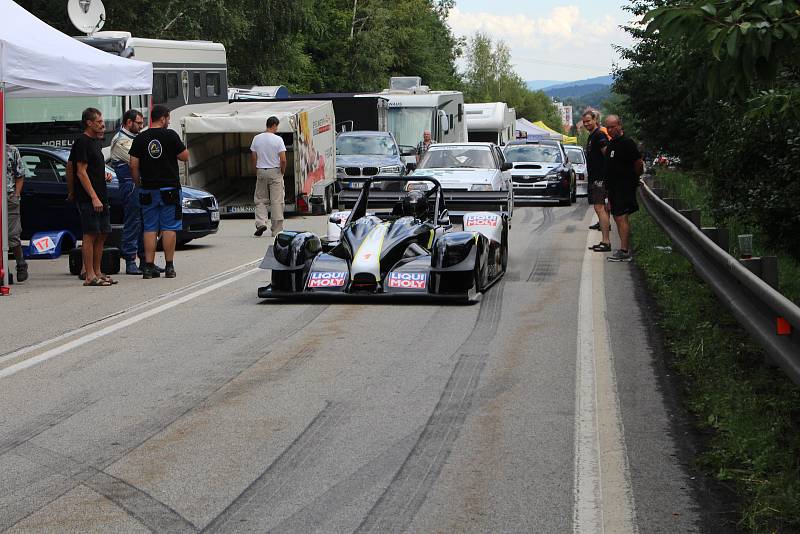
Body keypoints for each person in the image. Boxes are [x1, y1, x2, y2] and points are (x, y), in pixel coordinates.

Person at [129, 105, 189, 279]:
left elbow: (133, 164)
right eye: (168, 119)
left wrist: (138, 183)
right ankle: (169, 266)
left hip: (148, 189)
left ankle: (148, 267)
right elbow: (185, 156)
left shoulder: (140, 138)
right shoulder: (170, 135)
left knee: (149, 228)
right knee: (169, 228)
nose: (168, 122)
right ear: (163, 118)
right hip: (169, 188)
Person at [69, 108, 115, 286]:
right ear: (89, 123)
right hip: (89, 197)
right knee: (90, 234)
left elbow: (92, 169)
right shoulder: (82, 141)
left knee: (102, 233)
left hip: (101, 194)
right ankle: (89, 274)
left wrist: (103, 175)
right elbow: (80, 171)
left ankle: (98, 271)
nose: (102, 124)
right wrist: (93, 197)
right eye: (98, 121)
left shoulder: (96, 142)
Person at [604, 114, 644, 262]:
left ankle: (624, 250)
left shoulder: (627, 143)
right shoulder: (611, 144)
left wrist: (634, 177)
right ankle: (623, 248)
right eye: (607, 127)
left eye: (612, 126)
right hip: (613, 188)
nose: (610, 129)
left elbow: (638, 163)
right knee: (617, 216)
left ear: (620, 125)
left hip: (624, 186)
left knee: (621, 217)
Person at [110, 109, 145, 274]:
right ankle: (130, 260)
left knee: (146, 224)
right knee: (133, 223)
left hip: (141, 185)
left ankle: (146, 259)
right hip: (130, 186)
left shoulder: (136, 138)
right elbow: (139, 161)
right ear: (129, 122)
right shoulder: (120, 140)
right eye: (138, 123)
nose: (141, 126)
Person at [249, 116, 287, 237]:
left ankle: (261, 223)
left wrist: (256, 170)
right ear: (274, 125)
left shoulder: (256, 138)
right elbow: (283, 160)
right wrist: (282, 171)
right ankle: (276, 230)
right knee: (277, 201)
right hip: (275, 171)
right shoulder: (278, 140)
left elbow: (253, 157)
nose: (277, 129)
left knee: (260, 200)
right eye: (277, 126)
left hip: (261, 170)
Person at [582, 110, 611, 252]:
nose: (586, 123)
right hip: (596, 178)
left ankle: (606, 242)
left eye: (589, 121)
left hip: (600, 178)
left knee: (599, 208)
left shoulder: (599, 135)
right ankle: (604, 241)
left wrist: (606, 175)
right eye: (584, 121)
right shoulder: (593, 135)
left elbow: (607, 154)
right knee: (601, 208)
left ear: (595, 120)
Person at [5, 134, 28, 283]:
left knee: (13, 234)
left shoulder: (11, 151)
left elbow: (20, 175)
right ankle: (4, 270)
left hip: (9, 196)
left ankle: (21, 264)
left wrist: (16, 195)